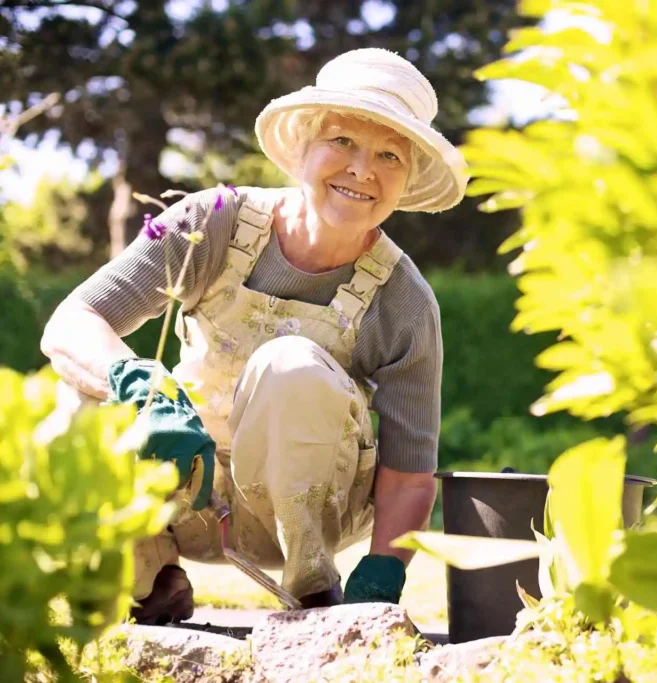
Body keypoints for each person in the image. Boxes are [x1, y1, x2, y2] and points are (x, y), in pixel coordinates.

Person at [40, 48, 468, 624]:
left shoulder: (404, 301)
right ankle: (148, 578)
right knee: (75, 395)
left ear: (407, 177)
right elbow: (73, 323)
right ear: (303, 148)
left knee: (292, 364)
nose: (362, 169)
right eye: (341, 141)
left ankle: (314, 593)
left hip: (306, 515)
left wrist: (385, 569)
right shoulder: (208, 223)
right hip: (180, 492)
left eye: (389, 154)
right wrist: (139, 387)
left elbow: (411, 471)